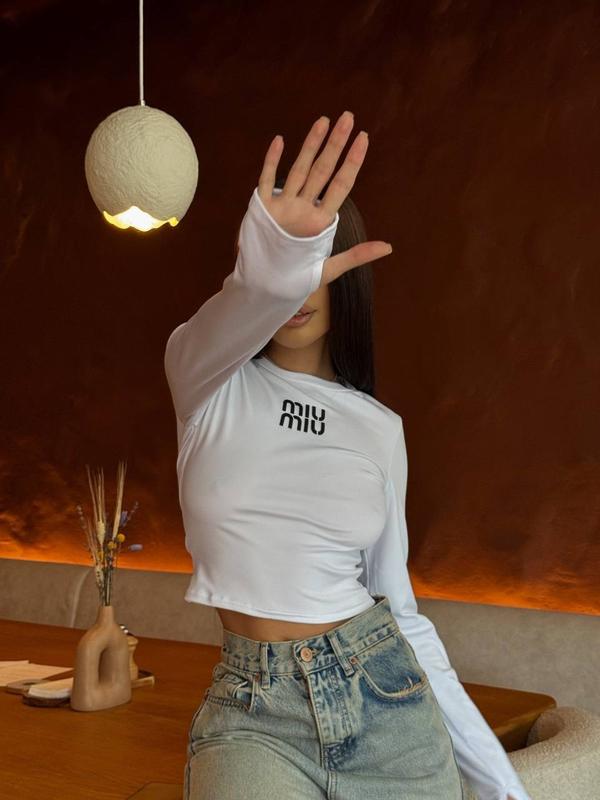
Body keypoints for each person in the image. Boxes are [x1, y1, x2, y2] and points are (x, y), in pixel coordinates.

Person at [164, 110, 530, 800]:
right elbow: (249, 301)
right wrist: (277, 263)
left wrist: (503, 788)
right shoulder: (204, 379)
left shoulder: (378, 429)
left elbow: (403, 611)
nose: (300, 291)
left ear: (346, 279)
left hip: (388, 701)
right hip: (254, 716)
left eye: (320, 266)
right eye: (289, 266)